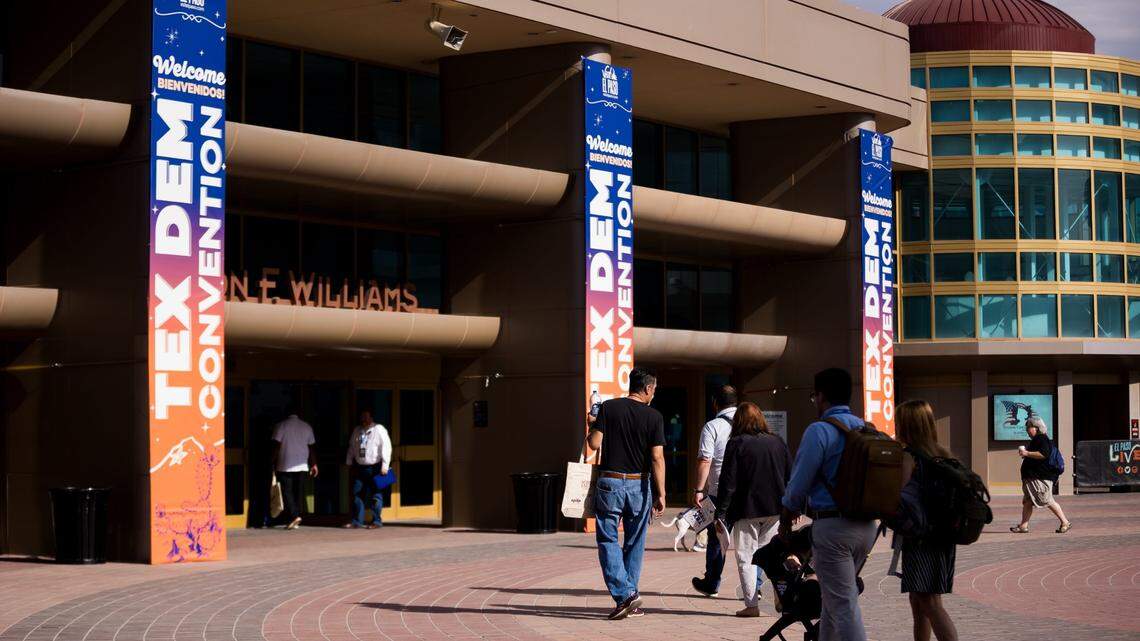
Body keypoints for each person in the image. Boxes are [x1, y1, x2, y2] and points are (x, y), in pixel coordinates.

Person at [779, 368, 876, 641]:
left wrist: (786, 517)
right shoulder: (867, 429)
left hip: (833, 528)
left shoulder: (820, 431)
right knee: (833, 604)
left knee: (843, 605)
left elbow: (798, 484)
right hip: (868, 525)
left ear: (821, 396)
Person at [583, 368, 667, 620]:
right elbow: (657, 457)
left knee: (608, 540)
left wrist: (592, 424)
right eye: (654, 389)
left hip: (609, 483)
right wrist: (661, 493)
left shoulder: (608, 408)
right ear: (648, 389)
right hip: (639, 485)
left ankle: (626, 596)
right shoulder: (654, 416)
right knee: (635, 543)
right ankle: (629, 596)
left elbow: (593, 444)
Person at [714, 402, 792, 617]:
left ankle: (751, 605)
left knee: (746, 557)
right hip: (776, 508)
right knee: (774, 556)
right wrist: (792, 508)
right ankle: (782, 595)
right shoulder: (777, 442)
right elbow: (790, 475)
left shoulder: (737, 443)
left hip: (746, 510)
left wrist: (720, 513)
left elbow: (728, 482)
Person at [895, 400, 959, 641]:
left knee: (929, 603)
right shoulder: (942, 454)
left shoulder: (909, 457)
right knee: (921, 602)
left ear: (907, 426)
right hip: (942, 537)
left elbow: (897, 497)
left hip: (921, 540)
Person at [691, 384, 739, 598]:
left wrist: (699, 489)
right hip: (748, 491)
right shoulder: (750, 422)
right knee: (751, 539)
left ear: (715, 403)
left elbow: (705, 460)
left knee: (717, 536)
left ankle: (712, 583)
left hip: (720, 491)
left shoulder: (713, 426)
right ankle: (754, 587)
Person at [1011, 416, 1072, 534]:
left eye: (1029, 427)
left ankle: (1065, 522)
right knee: (1028, 501)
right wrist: (1027, 455)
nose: (1027, 430)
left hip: (1040, 478)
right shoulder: (1037, 440)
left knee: (1047, 500)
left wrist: (1027, 453)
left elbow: (1044, 454)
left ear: (1036, 428)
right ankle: (1023, 526)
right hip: (1032, 478)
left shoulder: (1041, 438)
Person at [344, 409, 392, 529]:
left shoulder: (379, 429)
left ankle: (376, 521)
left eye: (366, 417)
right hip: (360, 467)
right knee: (357, 493)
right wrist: (348, 461)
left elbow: (386, 447)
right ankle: (357, 521)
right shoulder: (357, 430)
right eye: (362, 417)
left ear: (371, 418)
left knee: (376, 495)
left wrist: (385, 466)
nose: (363, 420)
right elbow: (352, 447)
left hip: (375, 467)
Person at [271, 411, 318, 530]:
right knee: (297, 492)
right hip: (302, 465)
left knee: (287, 492)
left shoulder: (281, 425)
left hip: (285, 464)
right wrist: (314, 464)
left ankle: (294, 516)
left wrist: (272, 460)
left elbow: (276, 445)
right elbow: (311, 447)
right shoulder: (306, 426)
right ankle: (294, 517)